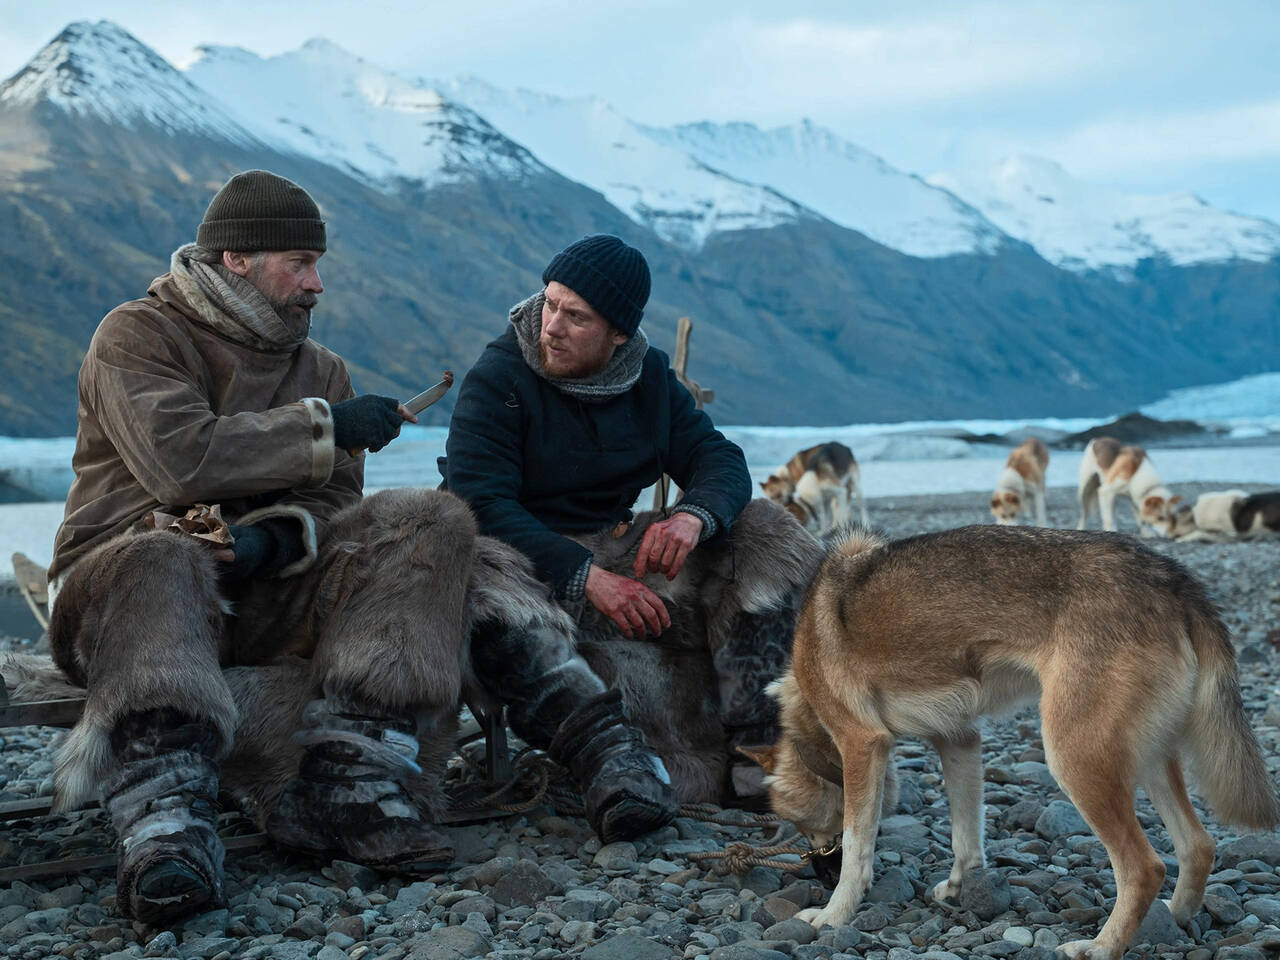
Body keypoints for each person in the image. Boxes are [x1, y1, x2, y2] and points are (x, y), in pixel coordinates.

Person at [43, 170, 573, 925]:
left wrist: (268, 542)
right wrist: (325, 429)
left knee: (432, 519)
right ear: (236, 259)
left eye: (318, 264)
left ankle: (352, 777)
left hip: (256, 594)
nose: (317, 284)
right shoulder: (136, 334)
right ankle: (166, 825)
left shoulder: (320, 368)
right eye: (299, 262)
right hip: (121, 595)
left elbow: (333, 504)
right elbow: (179, 460)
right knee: (163, 556)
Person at [445, 235, 824, 805]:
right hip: (516, 562)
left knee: (764, 529)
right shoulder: (499, 377)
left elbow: (718, 459)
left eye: (576, 317)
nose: (551, 326)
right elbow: (481, 504)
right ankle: (629, 765)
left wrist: (694, 517)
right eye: (549, 304)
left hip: (618, 546)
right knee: (483, 561)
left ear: (618, 332)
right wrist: (586, 576)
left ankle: (766, 748)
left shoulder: (646, 376)